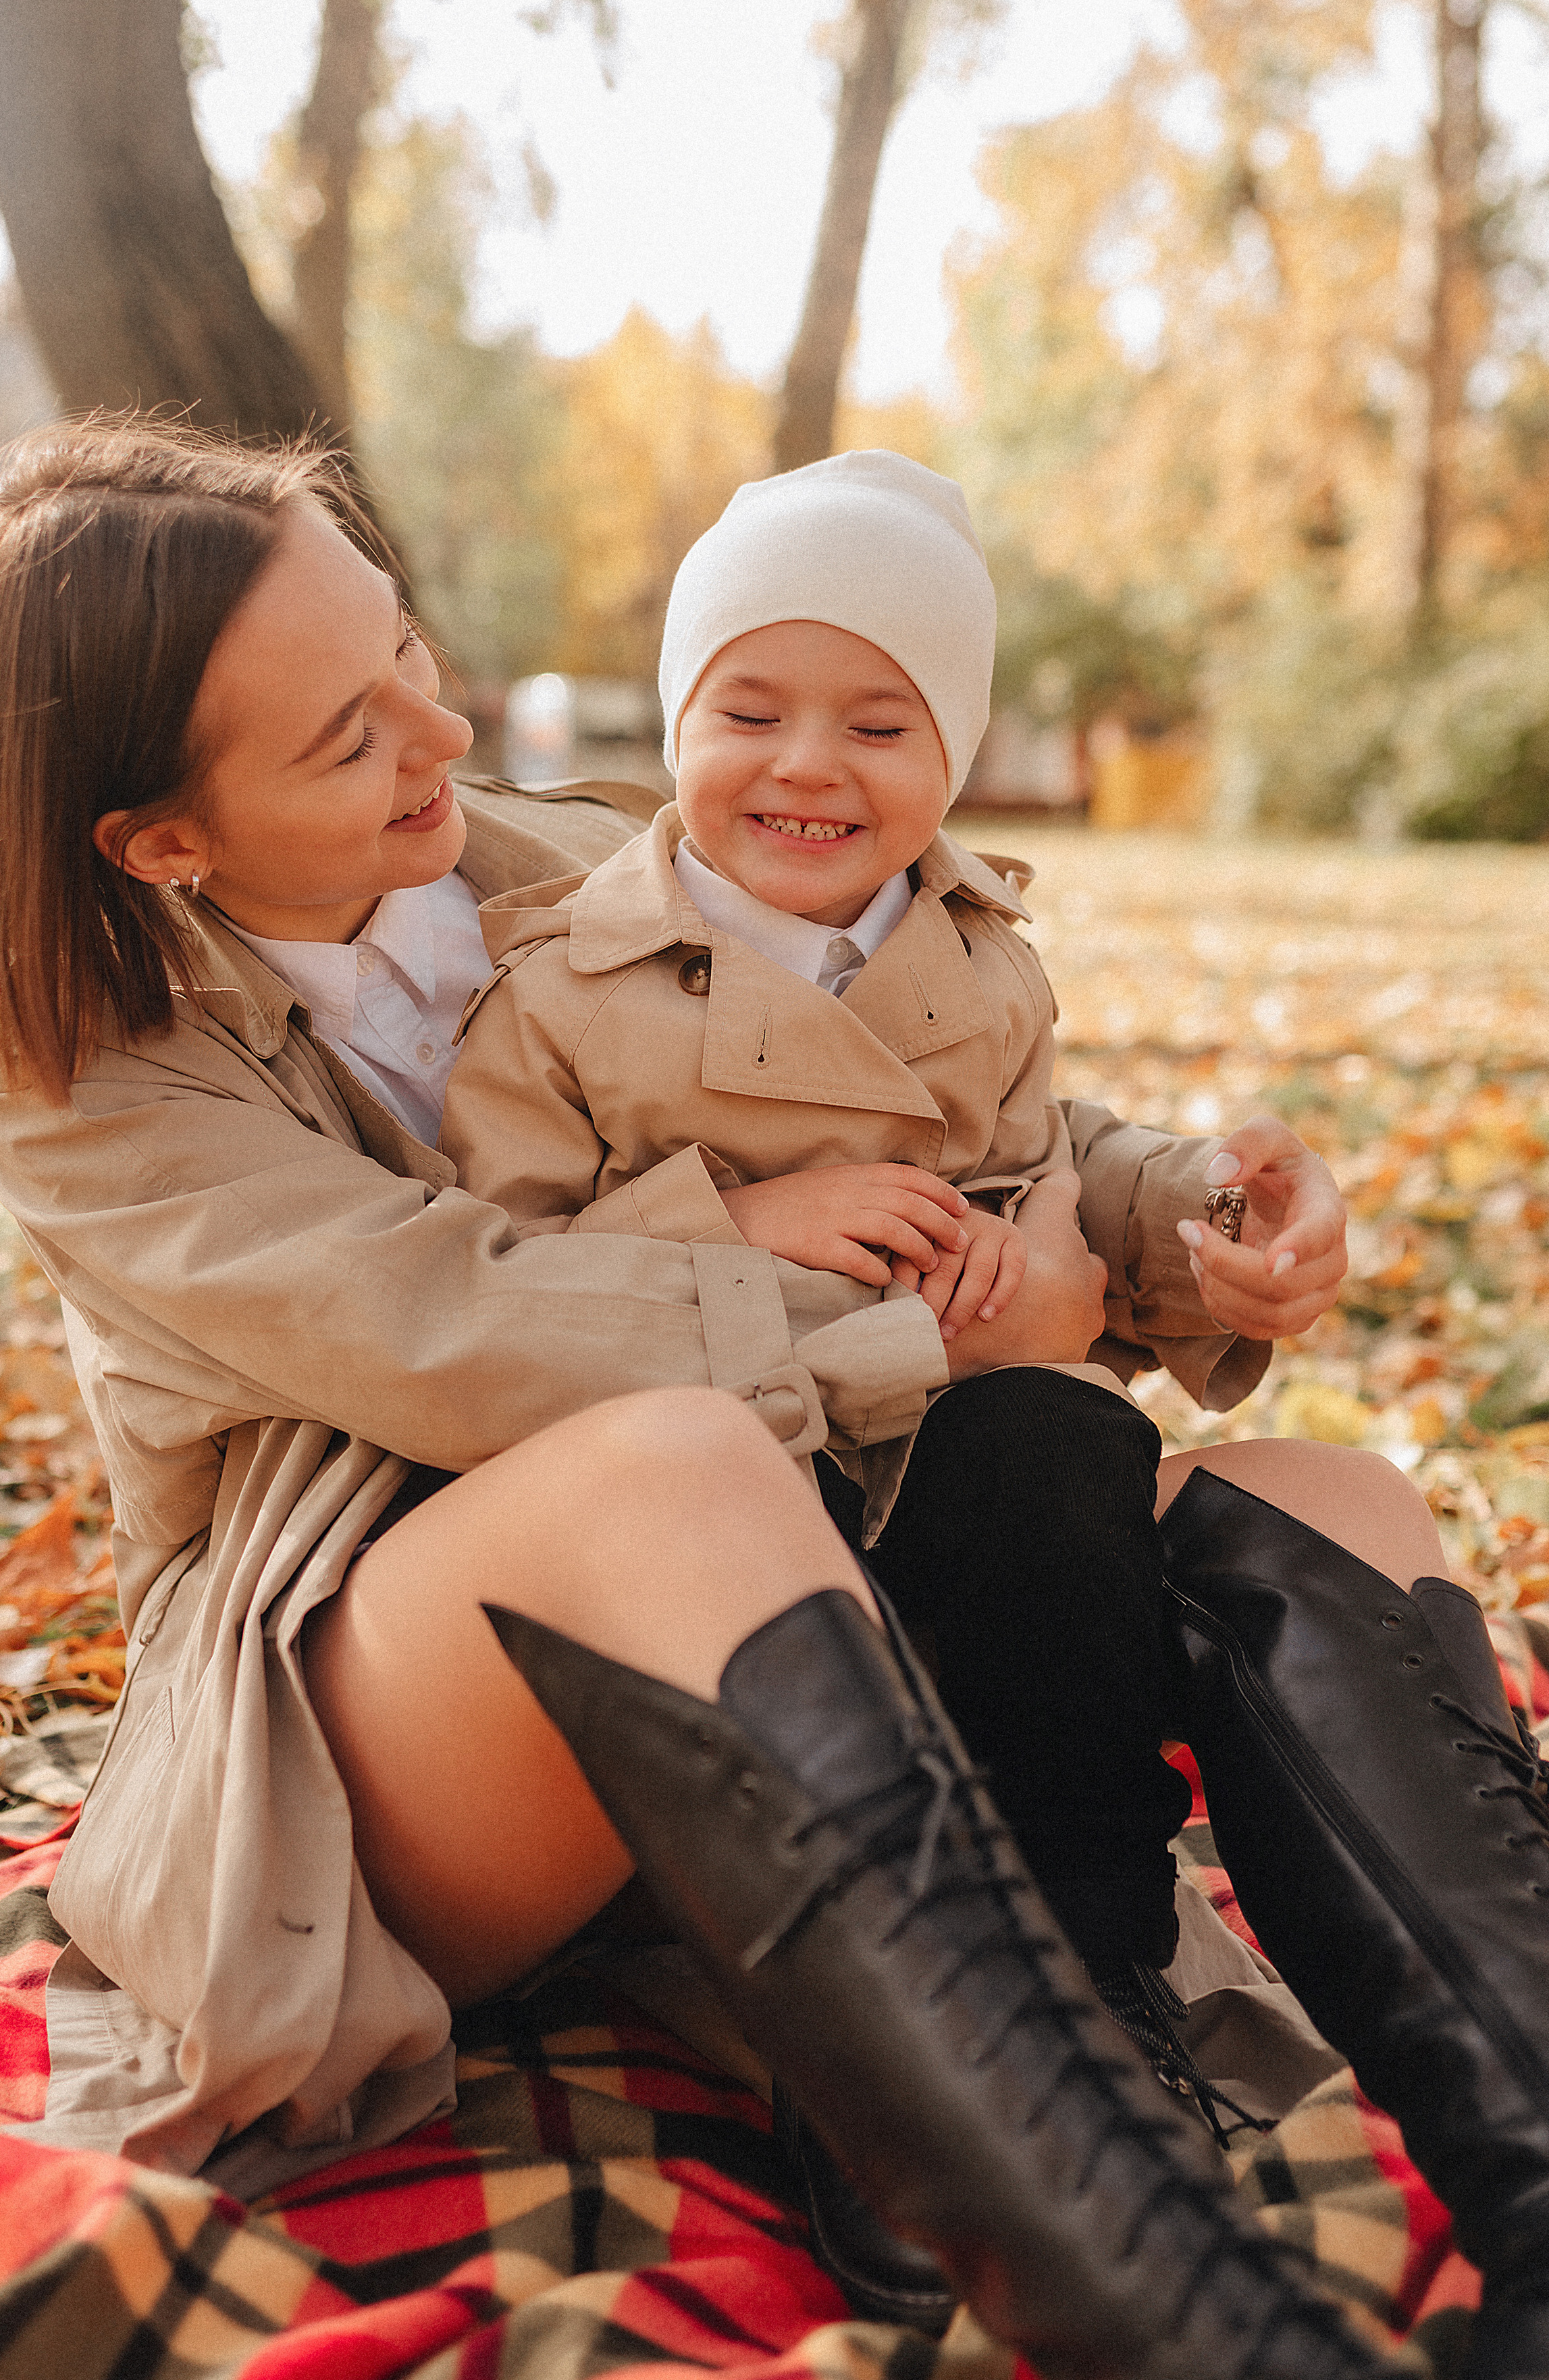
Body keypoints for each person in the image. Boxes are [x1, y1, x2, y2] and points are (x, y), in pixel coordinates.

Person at [0, 417, 1549, 2378]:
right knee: (669, 1464)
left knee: (1325, 1496)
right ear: (160, 837)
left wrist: (1183, 1225)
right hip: (387, 1701)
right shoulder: (75, 1068)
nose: (441, 735)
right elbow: (452, 1326)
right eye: (348, 737)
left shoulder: (589, 852)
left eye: (409, 657)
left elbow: (941, 1130)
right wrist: (892, 1316)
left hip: (807, 1590)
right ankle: (1171, 2323)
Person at [438, 453, 1189, 2059]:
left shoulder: (984, 968)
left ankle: (1096, 1972)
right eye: (749, 709)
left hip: (942, 1449)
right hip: (721, 1477)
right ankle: (883, 2047)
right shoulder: (565, 987)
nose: (806, 768)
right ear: (676, 721)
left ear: (952, 748)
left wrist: (1050, 1244)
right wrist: (728, 1218)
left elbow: (1024, 1173)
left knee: (1062, 1450)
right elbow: (503, 1275)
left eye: (877, 723)